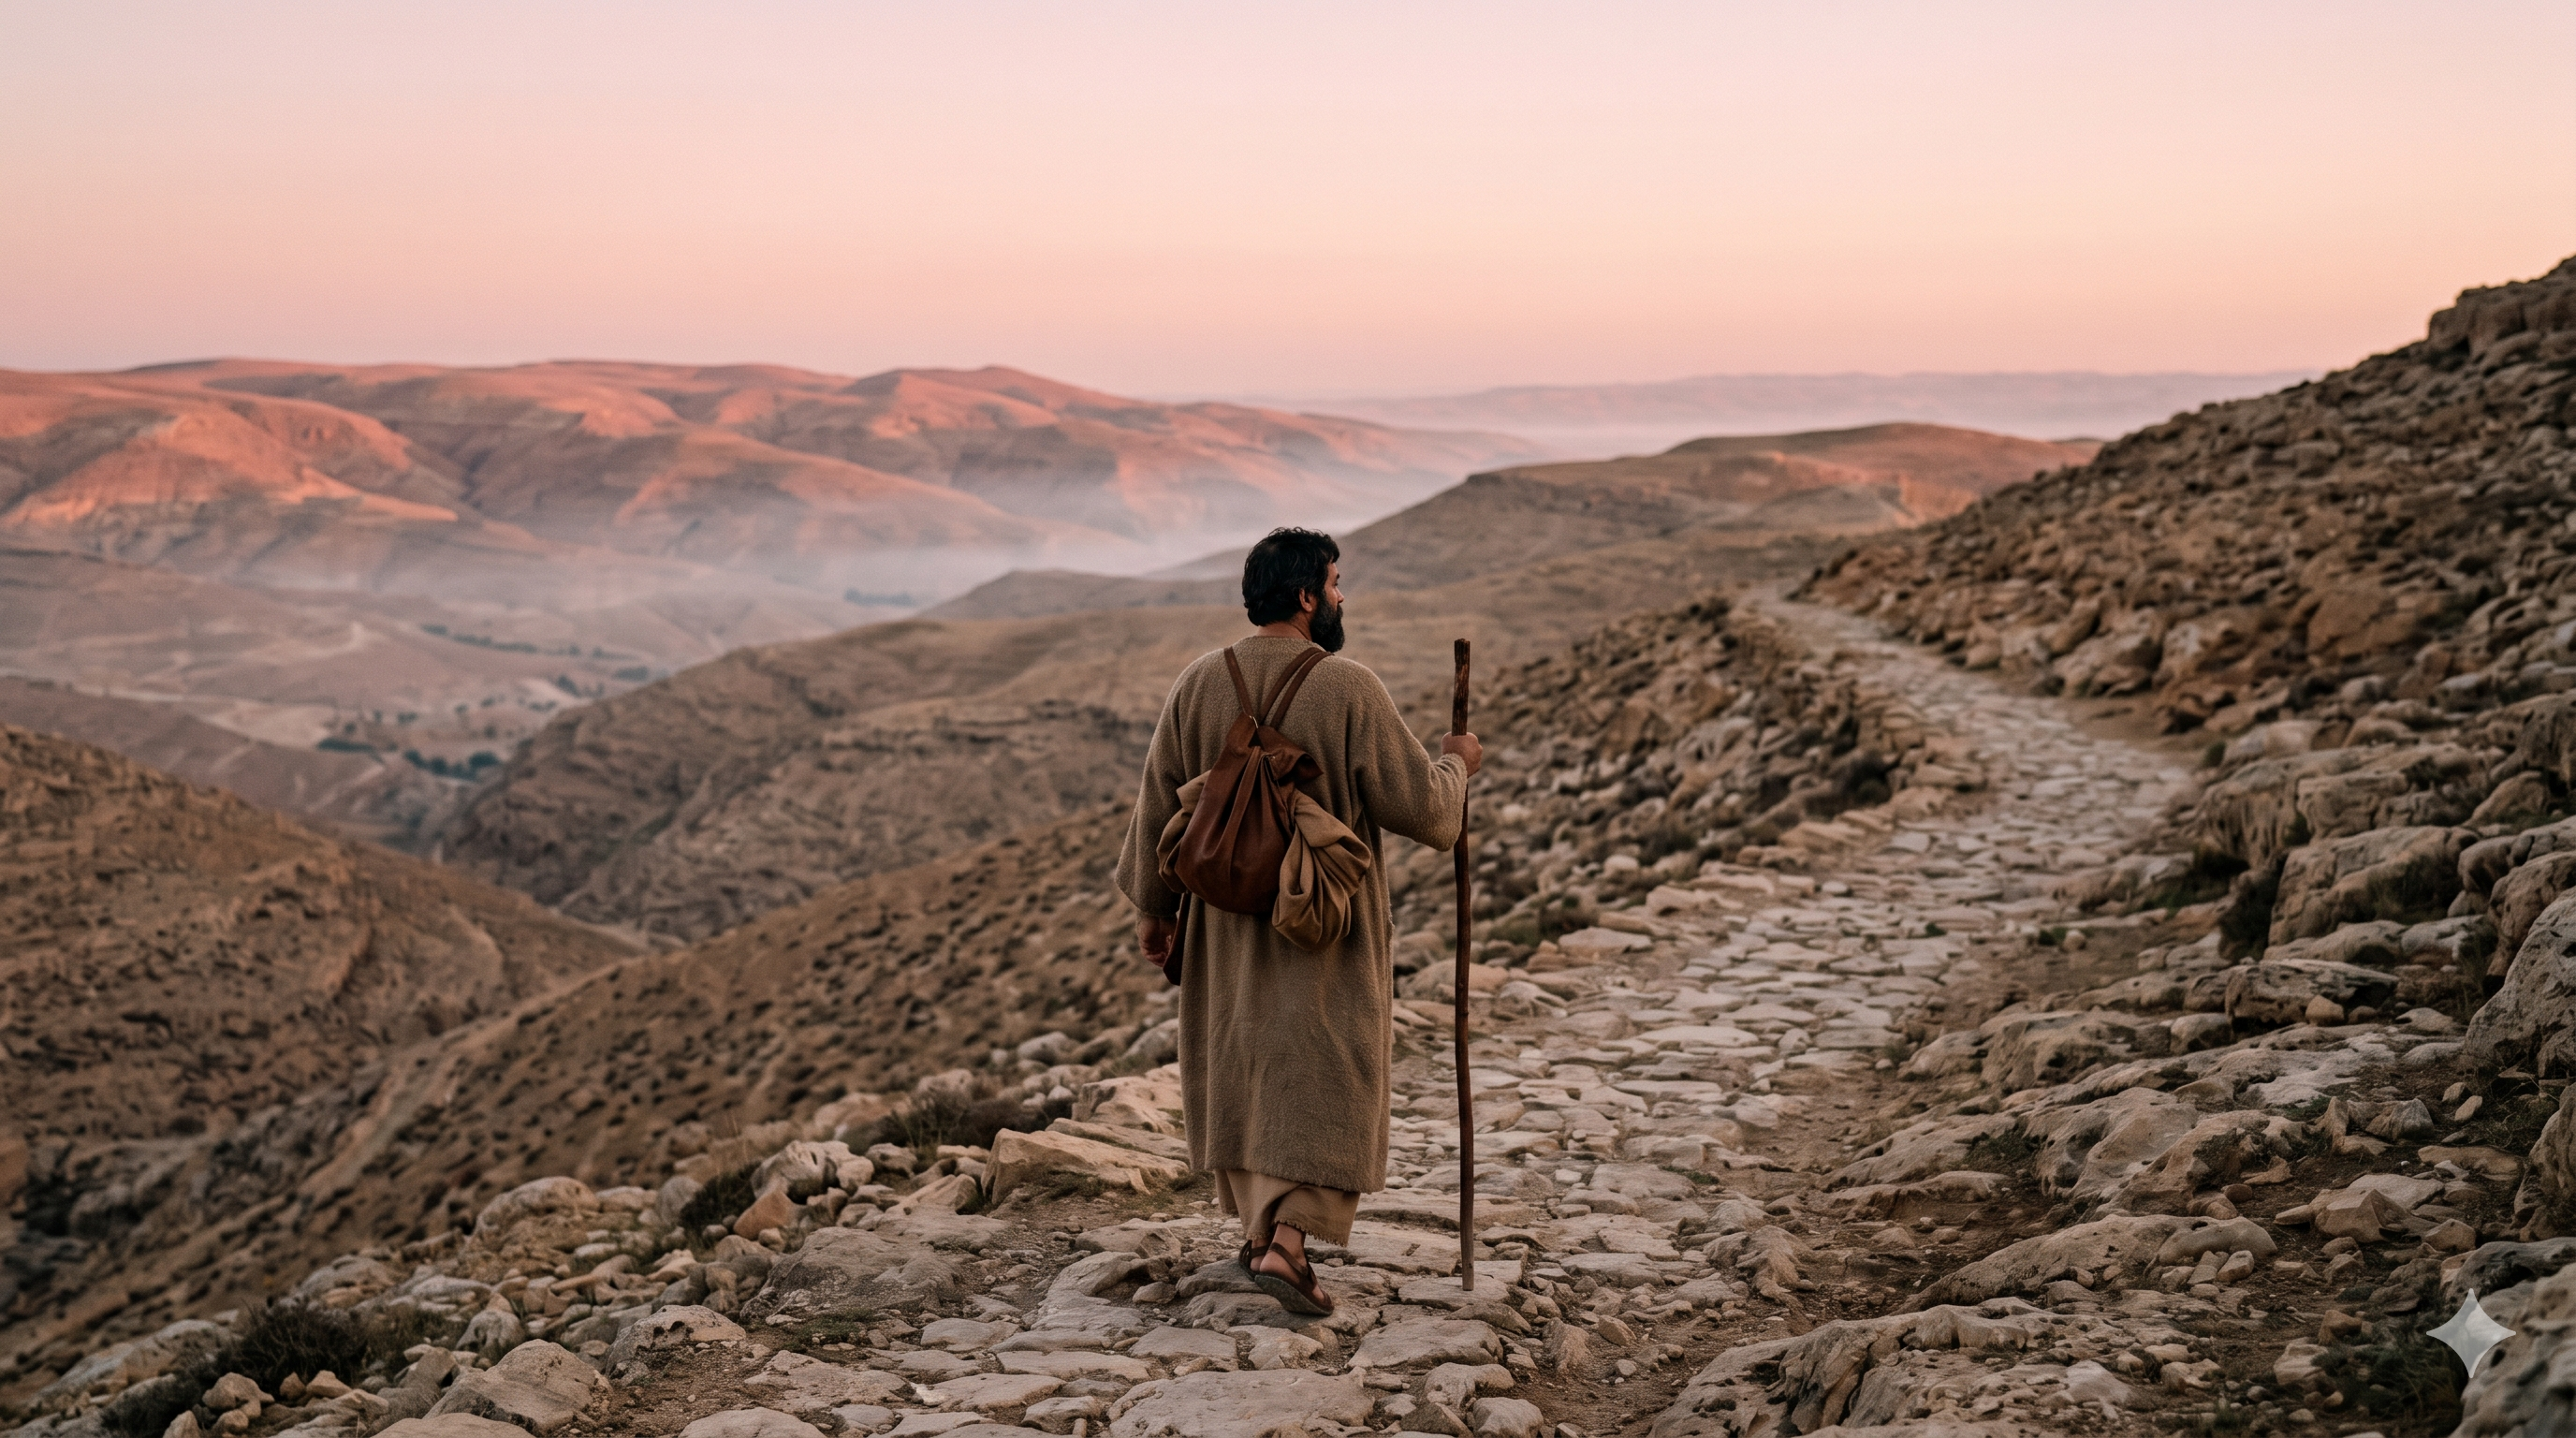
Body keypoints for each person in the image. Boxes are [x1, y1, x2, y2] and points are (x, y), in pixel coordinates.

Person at [1114, 527, 1481, 1315]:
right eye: (1337, 582)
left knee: (1243, 1059)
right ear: (1308, 596)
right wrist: (1458, 761)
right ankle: (1286, 1245)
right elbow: (1430, 815)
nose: (1343, 596)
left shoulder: (1200, 683)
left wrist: (1154, 910)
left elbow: (1156, 801)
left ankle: (1259, 1234)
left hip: (1222, 927)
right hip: (1324, 928)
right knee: (1323, 1065)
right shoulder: (1349, 687)